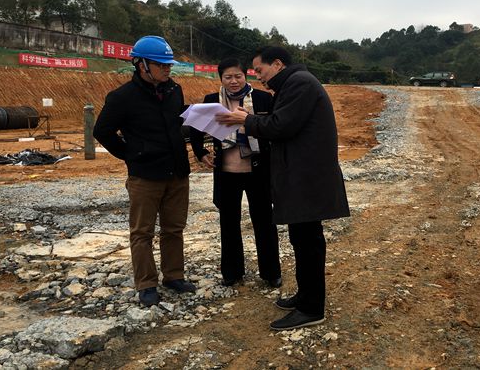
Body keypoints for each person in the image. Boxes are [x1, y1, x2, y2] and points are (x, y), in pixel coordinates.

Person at [216, 46, 350, 331]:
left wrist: (246, 120)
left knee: (308, 243)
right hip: (301, 177)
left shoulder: (300, 84)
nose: (258, 76)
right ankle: (305, 296)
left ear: (277, 64)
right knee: (301, 239)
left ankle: (311, 308)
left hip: (307, 178)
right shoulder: (293, 83)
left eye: (260, 70)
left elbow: (280, 126)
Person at [93, 35, 196, 307]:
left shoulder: (174, 91)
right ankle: (147, 283)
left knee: (174, 228)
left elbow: (178, 124)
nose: (167, 69)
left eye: (168, 64)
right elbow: (102, 131)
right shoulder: (122, 97)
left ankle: (174, 276)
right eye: (161, 65)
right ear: (142, 65)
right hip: (145, 176)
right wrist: (131, 155)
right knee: (142, 232)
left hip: (177, 173)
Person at [189, 58, 282, 288]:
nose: (233, 81)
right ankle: (232, 272)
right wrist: (201, 152)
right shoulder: (212, 101)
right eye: (228, 77)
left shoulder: (262, 99)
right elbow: (195, 128)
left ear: (245, 76)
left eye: (238, 76)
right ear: (220, 78)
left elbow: (275, 128)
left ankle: (271, 272)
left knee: (264, 221)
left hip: (257, 171)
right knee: (229, 223)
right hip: (226, 172)